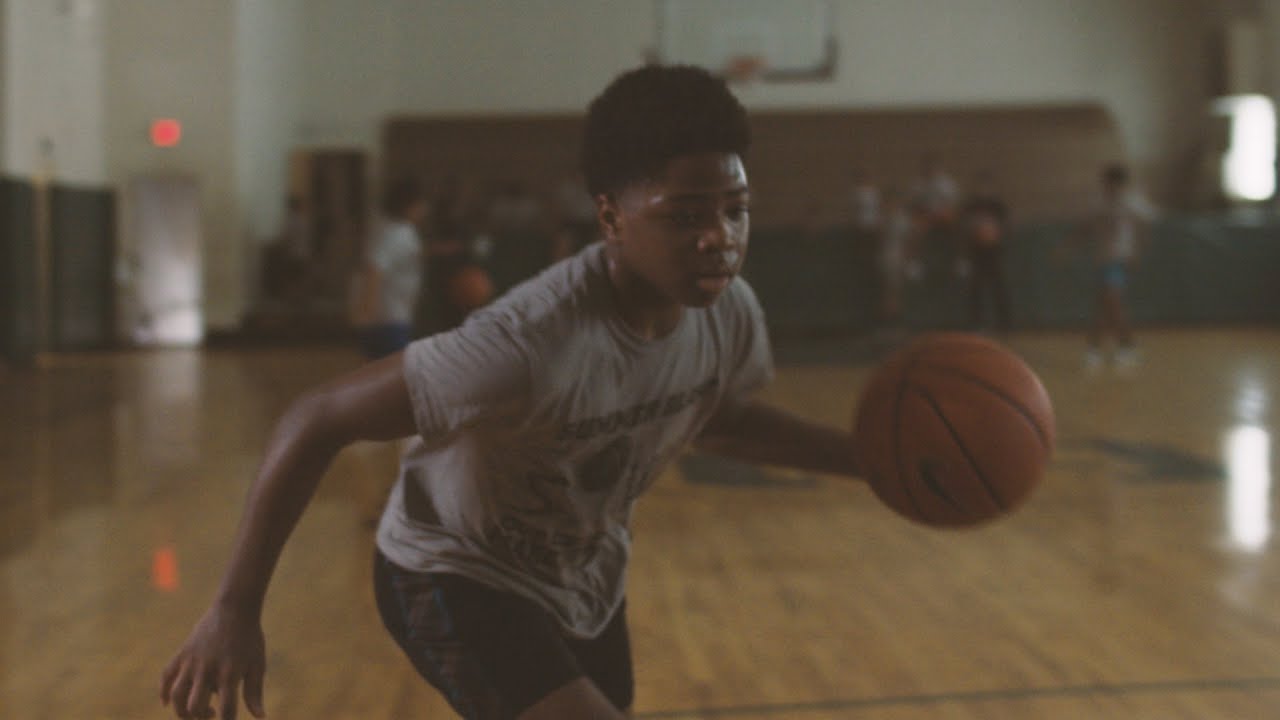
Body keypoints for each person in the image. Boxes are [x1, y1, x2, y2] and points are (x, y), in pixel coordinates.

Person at [159, 64, 863, 720]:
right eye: (685, 216)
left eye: (735, 209)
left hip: (581, 580)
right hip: (451, 571)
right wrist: (234, 607)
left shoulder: (729, 313)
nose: (719, 238)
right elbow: (314, 418)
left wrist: (871, 459)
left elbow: (722, 421)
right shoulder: (528, 344)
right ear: (612, 217)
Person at [1073, 163, 1157, 369]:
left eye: (1115, 184)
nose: (1111, 188)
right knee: (1105, 306)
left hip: (1119, 261)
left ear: (1122, 185)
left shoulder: (1131, 203)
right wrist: (1068, 247)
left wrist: (1137, 251)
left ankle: (1121, 346)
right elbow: (1085, 227)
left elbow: (1145, 225)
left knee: (1112, 302)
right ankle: (1101, 347)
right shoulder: (1099, 204)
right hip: (1103, 260)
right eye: (1108, 184)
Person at [352, 178, 429, 359]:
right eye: (421, 203)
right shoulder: (396, 233)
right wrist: (368, 309)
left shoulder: (397, 230)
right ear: (409, 205)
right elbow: (374, 268)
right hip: (388, 320)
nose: (425, 209)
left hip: (391, 318)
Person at [958, 173, 1012, 332]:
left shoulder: (997, 205)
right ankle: (977, 322)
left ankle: (1004, 323)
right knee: (976, 287)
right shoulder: (971, 205)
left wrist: (1000, 239)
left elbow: (1007, 225)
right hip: (976, 250)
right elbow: (964, 225)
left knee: (998, 286)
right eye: (981, 185)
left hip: (994, 250)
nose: (983, 189)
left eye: (987, 186)